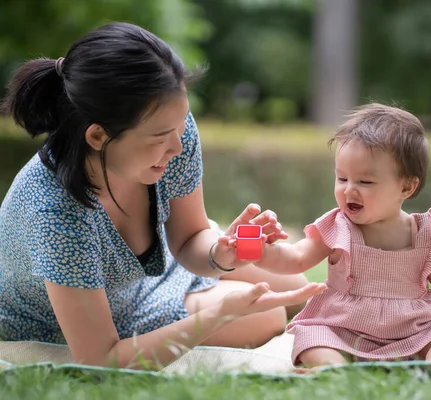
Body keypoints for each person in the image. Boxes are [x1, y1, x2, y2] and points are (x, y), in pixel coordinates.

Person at [0, 22, 325, 370]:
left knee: (295, 282)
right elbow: (99, 360)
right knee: (266, 314)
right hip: (77, 318)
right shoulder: (54, 211)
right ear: (97, 136)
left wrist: (222, 253)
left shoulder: (170, 132)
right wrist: (216, 316)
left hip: (144, 279)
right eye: (160, 137)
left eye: (179, 125)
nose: (178, 146)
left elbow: (189, 239)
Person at [219, 103, 431, 370]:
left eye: (365, 181)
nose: (349, 189)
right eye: (342, 178)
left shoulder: (427, 231)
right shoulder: (337, 226)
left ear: (406, 187)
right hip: (342, 325)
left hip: (412, 328)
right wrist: (260, 251)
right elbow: (296, 258)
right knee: (313, 338)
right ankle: (331, 368)